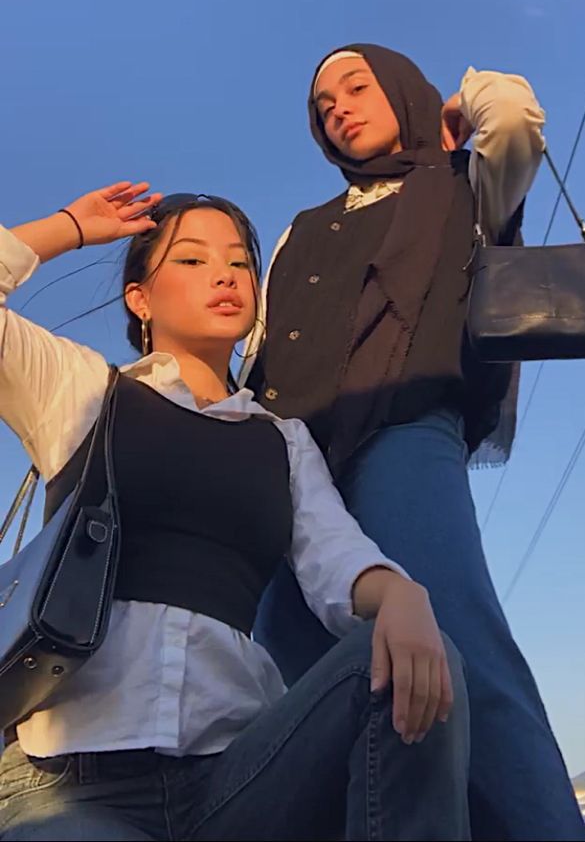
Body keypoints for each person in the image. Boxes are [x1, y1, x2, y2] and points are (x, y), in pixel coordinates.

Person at [0, 183, 471, 842]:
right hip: (71, 786)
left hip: (238, 775)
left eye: (239, 262)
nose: (224, 274)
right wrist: (70, 226)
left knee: (405, 655)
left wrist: (399, 595)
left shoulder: (280, 439)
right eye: (190, 260)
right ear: (139, 297)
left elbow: (334, 557)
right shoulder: (81, 391)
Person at [244, 45, 585, 842]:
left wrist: (453, 113)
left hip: (403, 429)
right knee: (301, 680)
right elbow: (263, 351)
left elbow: (513, 114)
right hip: (294, 464)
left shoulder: (466, 183)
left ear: (403, 90)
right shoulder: (303, 230)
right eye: (322, 105)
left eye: (355, 87)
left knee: (457, 644)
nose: (337, 108)